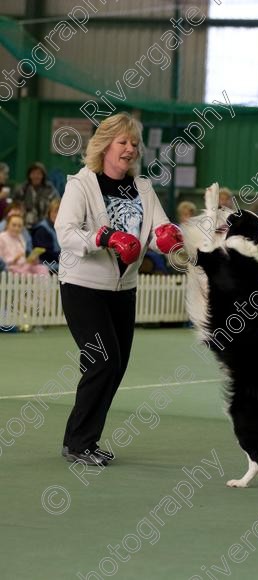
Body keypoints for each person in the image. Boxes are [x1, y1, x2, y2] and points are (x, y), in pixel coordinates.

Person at [55, 112, 183, 467]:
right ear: (105, 145)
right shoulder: (82, 185)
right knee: (103, 361)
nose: (130, 150)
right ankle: (78, 443)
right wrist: (104, 237)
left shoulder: (142, 187)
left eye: (135, 144)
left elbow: (158, 232)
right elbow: (64, 232)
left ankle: (85, 441)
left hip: (124, 289)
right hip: (83, 287)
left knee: (117, 365)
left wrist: (168, 238)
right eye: (123, 142)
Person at [13, 162, 60, 230]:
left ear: (43, 175)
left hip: (45, 227)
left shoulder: (51, 190)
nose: (36, 176)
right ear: (29, 175)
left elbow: (57, 206)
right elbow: (14, 207)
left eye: (39, 174)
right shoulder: (22, 189)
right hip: (24, 226)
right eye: (33, 173)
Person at [31, 198, 61, 274]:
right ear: (49, 213)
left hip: (60, 263)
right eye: (55, 212)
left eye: (60, 212)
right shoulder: (42, 230)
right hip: (46, 266)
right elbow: (46, 253)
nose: (57, 215)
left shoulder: (61, 227)